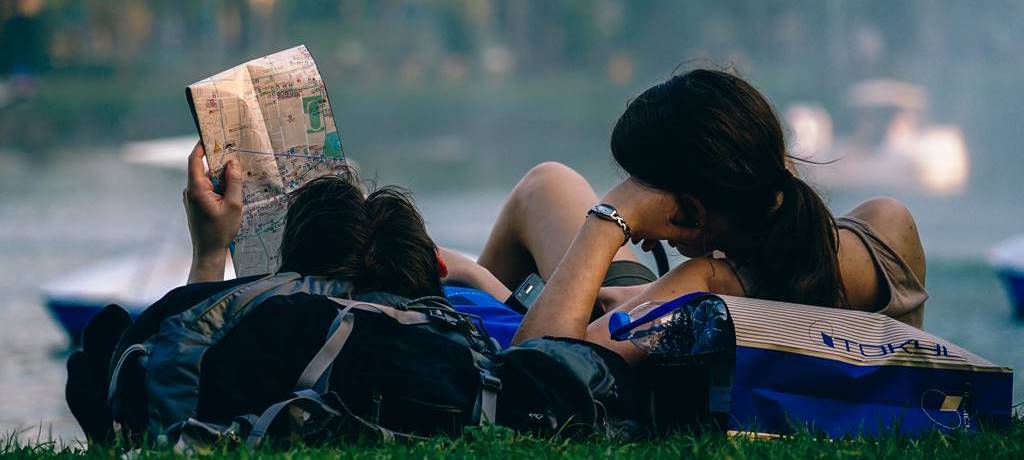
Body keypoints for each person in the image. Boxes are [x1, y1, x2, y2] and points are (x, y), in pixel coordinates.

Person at [494, 69, 927, 363]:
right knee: (548, 185)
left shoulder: (703, 284)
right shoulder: (888, 228)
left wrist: (611, 218)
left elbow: (540, 372)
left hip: (617, 333)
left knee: (545, 185)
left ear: (693, 211)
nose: (646, 237)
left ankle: (449, 328)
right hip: (665, 293)